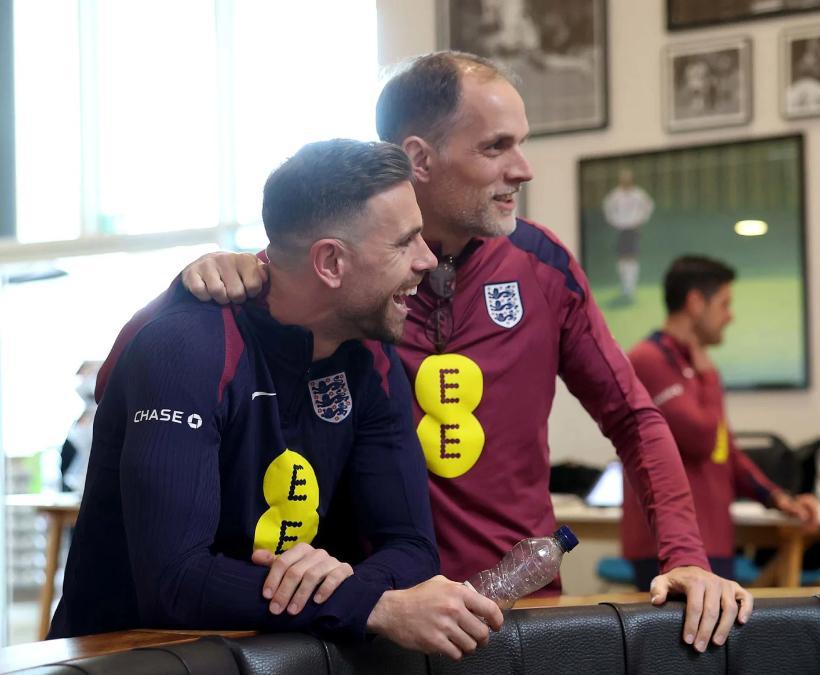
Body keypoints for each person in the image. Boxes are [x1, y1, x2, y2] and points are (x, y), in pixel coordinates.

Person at [181, 52, 751, 652]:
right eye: (495, 147)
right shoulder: (345, 277)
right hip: (376, 625)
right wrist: (217, 272)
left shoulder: (545, 266)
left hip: (522, 619)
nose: (524, 169)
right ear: (418, 159)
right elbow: (274, 298)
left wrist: (686, 555)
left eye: (521, 144)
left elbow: (633, 418)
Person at [51, 139, 505, 661]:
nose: (428, 259)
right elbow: (175, 583)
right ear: (330, 262)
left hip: (268, 657)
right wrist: (370, 604)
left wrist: (344, 582)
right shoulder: (186, 346)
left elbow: (412, 548)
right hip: (127, 663)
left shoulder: (373, 360)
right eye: (404, 242)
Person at [622, 256, 819, 590]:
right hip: (667, 549)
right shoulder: (648, 360)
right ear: (696, 303)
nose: (730, 316)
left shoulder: (695, 365)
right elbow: (700, 439)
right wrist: (709, 377)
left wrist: (777, 497)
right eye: (725, 304)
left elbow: (724, 450)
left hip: (710, 541)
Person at [602, 168, 654, 302]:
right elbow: (607, 208)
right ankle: (624, 285)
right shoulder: (615, 195)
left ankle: (631, 287)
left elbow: (649, 206)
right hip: (621, 229)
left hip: (633, 229)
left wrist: (641, 220)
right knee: (621, 259)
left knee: (632, 258)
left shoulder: (638, 194)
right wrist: (614, 221)